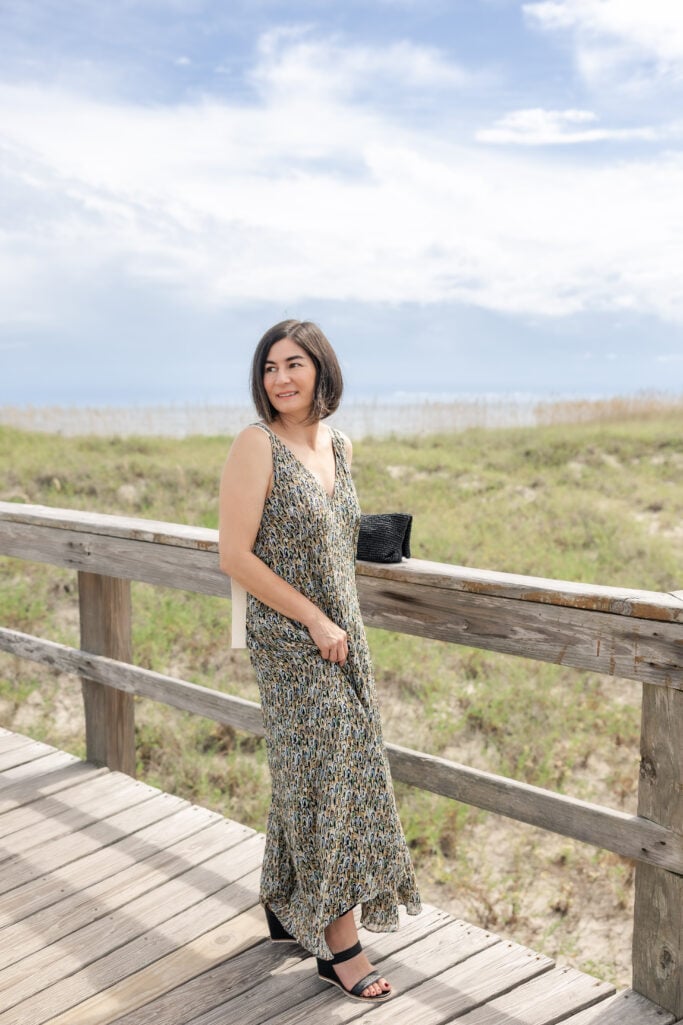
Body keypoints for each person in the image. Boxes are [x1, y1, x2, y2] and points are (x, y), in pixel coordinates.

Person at [218, 320, 421, 1003]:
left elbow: (323, 529)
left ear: (320, 370)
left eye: (293, 364)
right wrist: (311, 615)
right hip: (291, 638)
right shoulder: (256, 445)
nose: (280, 378)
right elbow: (235, 555)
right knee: (334, 776)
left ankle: (285, 901)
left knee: (309, 767)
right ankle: (340, 947)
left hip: (343, 632)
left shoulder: (339, 442)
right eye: (270, 366)